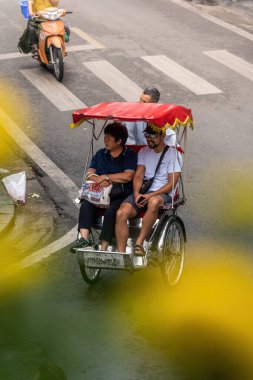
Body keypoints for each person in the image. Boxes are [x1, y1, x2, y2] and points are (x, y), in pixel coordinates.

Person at [70, 122, 137, 253]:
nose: (105, 140)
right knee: (86, 204)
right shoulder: (101, 154)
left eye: (109, 138)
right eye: (105, 136)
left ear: (119, 141)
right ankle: (84, 240)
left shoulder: (129, 155)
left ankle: (104, 246)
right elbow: (89, 173)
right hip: (99, 193)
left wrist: (106, 177)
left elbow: (128, 176)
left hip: (119, 195)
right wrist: (98, 179)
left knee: (111, 211)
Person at [116, 124, 183, 255]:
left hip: (163, 194)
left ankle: (139, 243)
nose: (149, 139)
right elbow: (139, 175)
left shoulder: (173, 154)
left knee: (153, 202)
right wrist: (136, 193)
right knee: (121, 213)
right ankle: (121, 253)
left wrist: (152, 195)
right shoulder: (143, 152)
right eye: (147, 135)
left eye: (153, 136)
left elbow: (171, 184)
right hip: (144, 192)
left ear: (163, 136)